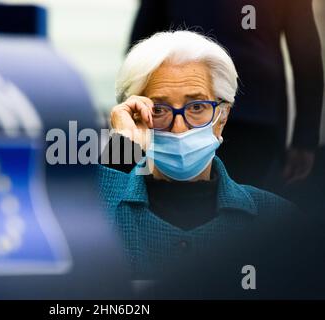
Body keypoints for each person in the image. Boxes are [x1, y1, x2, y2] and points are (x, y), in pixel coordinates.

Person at [98, 30, 297, 276]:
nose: (179, 128)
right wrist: (122, 148)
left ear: (221, 117)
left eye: (198, 107)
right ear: (135, 115)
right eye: (158, 110)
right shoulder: (102, 209)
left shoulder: (278, 219)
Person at [129, 0, 324, 188]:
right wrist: (305, 139)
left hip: (191, 113)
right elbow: (306, 55)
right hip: (256, 112)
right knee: (251, 207)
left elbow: (139, 47)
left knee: (180, 201)